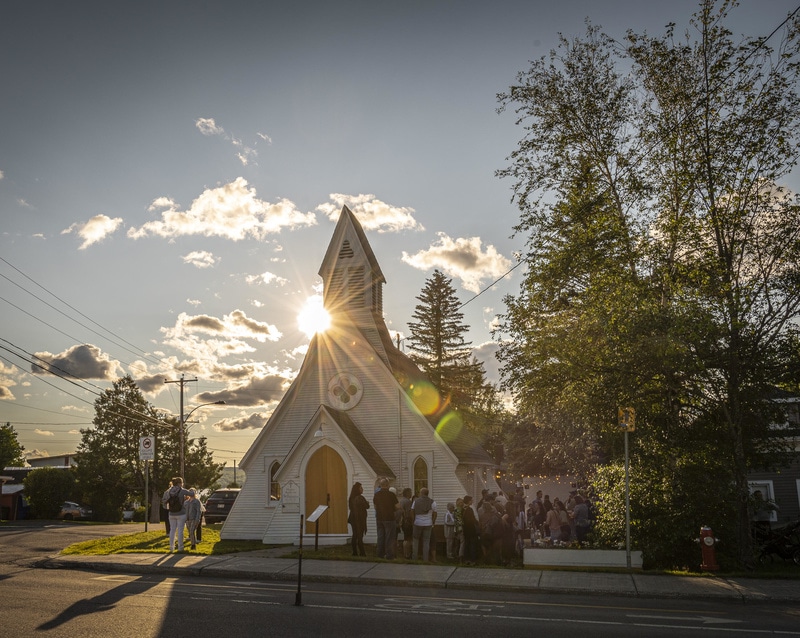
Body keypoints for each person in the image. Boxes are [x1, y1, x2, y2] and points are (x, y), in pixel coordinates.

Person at [161, 477, 191, 552]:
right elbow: (192, 493)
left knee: (172, 530)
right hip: (181, 513)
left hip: (171, 513)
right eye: (182, 483)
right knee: (180, 530)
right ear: (179, 483)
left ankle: (171, 547)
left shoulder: (169, 491)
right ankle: (180, 547)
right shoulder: (182, 490)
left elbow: (164, 501)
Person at [372, 478, 399, 559]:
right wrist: (393, 509)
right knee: (389, 537)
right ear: (387, 485)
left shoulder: (376, 495)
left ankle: (380, 554)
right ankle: (389, 555)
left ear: (380, 485)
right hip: (389, 518)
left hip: (379, 518)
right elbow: (397, 506)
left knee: (380, 536)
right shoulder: (391, 495)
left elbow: (375, 507)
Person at [411, 487, 437, 561]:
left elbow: (412, 511)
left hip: (417, 523)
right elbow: (435, 513)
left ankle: (414, 558)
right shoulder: (432, 502)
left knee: (415, 540)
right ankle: (425, 559)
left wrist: (413, 521)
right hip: (428, 523)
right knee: (426, 541)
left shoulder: (416, 501)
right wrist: (433, 522)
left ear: (421, 493)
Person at [348, 482, 369, 556]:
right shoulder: (360, 498)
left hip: (353, 518)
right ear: (357, 490)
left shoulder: (351, 498)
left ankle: (355, 552)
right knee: (360, 535)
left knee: (355, 535)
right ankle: (362, 552)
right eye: (360, 488)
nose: (362, 489)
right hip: (359, 519)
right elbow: (366, 506)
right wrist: (367, 503)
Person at [462, 494, 479, 565]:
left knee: (466, 544)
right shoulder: (469, 509)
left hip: (465, 529)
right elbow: (472, 519)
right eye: (471, 500)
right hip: (471, 529)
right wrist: (477, 522)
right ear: (468, 501)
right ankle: (472, 560)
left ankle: (466, 559)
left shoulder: (462, 508)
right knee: (472, 545)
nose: (472, 501)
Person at [398, 487, 413, 559]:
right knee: (408, 538)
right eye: (410, 492)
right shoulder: (408, 502)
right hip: (407, 522)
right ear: (407, 493)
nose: (411, 494)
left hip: (403, 522)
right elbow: (409, 513)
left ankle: (405, 553)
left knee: (405, 538)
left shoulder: (401, 501)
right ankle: (407, 554)